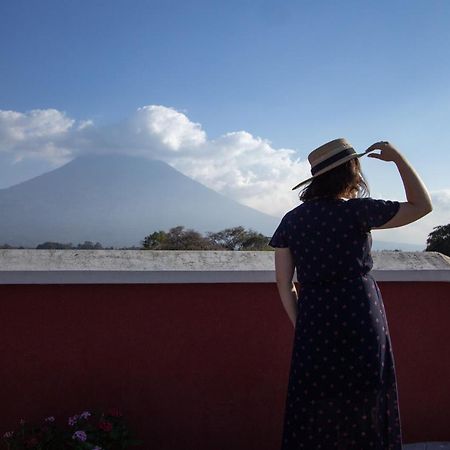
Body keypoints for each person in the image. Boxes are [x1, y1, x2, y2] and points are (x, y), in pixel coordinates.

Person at [269, 138, 432, 449]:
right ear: (351, 172)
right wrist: (399, 159)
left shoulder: (292, 220)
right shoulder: (358, 212)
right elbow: (422, 206)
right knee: (368, 393)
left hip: (314, 317)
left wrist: (300, 324)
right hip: (360, 309)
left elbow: (283, 282)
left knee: (317, 400)